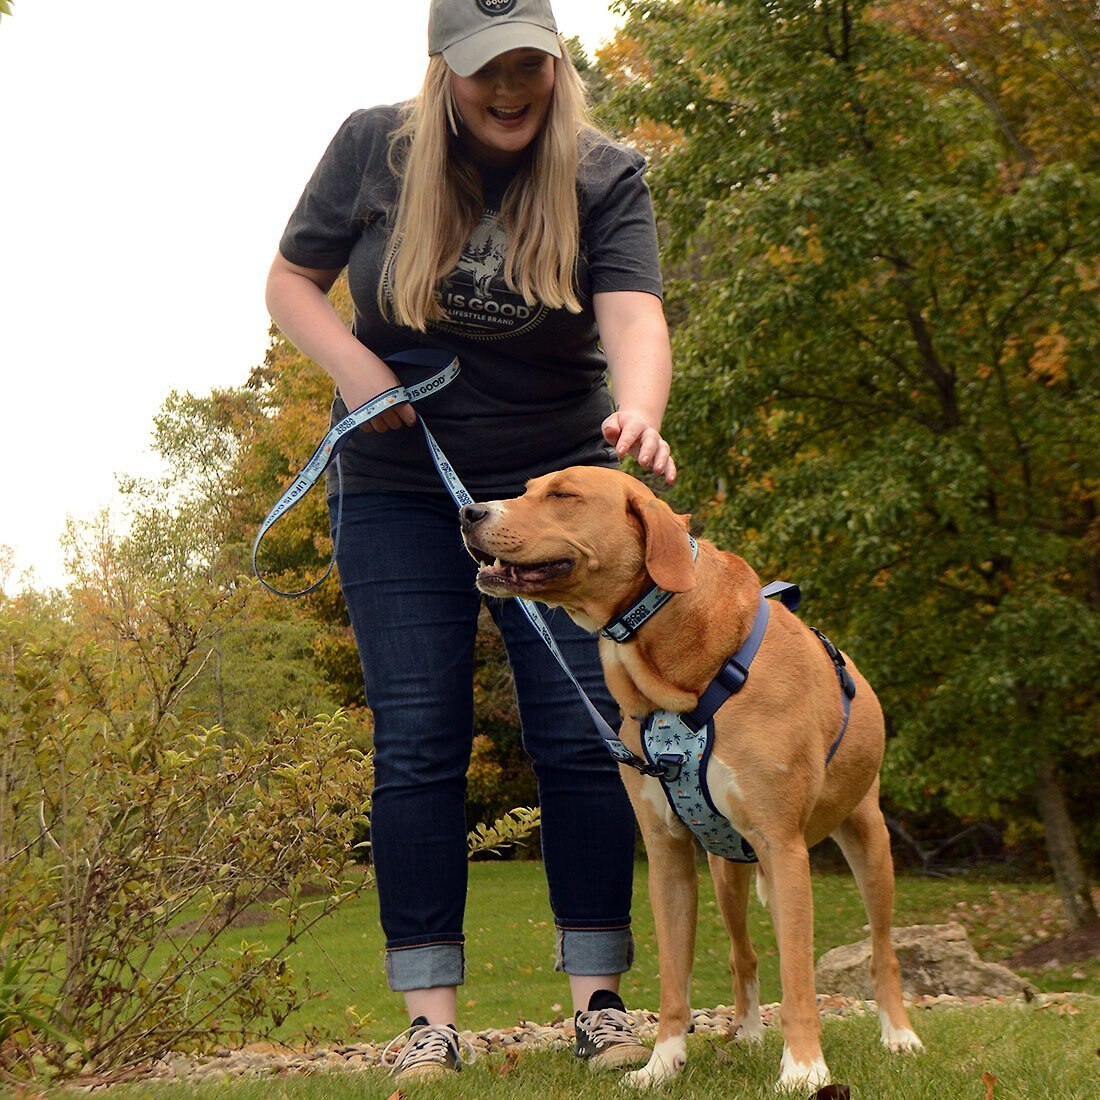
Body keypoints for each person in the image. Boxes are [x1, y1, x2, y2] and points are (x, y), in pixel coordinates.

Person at [265, 0, 675, 1081]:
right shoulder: (373, 146)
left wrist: (638, 408)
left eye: (527, 65)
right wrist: (358, 370)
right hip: (401, 486)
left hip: (551, 492)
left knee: (587, 730)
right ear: (441, 68)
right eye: (484, 69)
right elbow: (289, 282)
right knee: (419, 737)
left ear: (555, 63)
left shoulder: (601, 170)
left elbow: (633, 314)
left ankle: (599, 1001)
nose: (507, 88)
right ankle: (428, 1021)